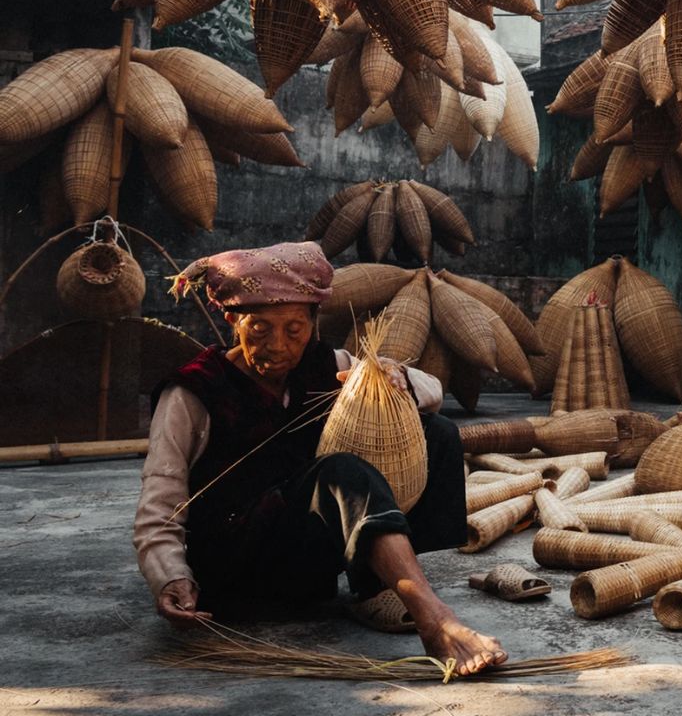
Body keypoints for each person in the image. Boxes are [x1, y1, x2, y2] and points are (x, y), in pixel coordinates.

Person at [133, 242, 506, 676]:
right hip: (238, 565)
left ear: (313, 322)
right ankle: (434, 618)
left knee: (435, 433)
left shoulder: (325, 365)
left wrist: (390, 380)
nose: (278, 346)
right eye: (259, 329)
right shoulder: (193, 391)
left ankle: (375, 587)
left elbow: (431, 390)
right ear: (233, 320)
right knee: (341, 472)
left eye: (294, 330)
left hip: (308, 562)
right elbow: (160, 503)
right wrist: (171, 577)